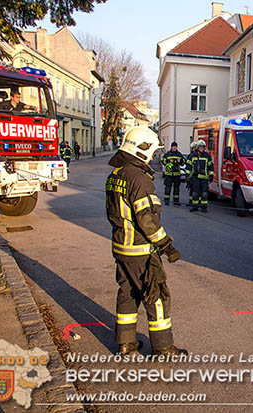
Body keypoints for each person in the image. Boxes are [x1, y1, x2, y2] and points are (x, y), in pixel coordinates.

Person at [105, 126, 186, 356]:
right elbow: (147, 219)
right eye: (151, 150)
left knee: (128, 294)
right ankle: (163, 348)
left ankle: (125, 343)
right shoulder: (139, 179)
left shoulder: (116, 175)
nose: (152, 155)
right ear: (143, 150)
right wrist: (166, 246)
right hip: (140, 251)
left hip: (121, 247)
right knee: (157, 295)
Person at [187, 139, 213, 213]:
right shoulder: (192, 156)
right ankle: (195, 206)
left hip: (204, 178)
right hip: (195, 178)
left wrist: (211, 175)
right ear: (197, 147)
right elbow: (189, 166)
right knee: (195, 193)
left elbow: (210, 166)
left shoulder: (207, 156)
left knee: (204, 193)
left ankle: (204, 207)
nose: (202, 148)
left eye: (203, 147)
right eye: (200, 147)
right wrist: (187, 175)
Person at [185, 141, 198, 206]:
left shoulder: (197, 155)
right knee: (191, 189)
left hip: (195, 175)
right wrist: (188, 175)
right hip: (191, 176)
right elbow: (188, 166)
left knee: (195, 189)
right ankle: (191, 201)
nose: (194, 149)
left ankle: (194, 201)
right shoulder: (191, 155)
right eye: (193, 148)